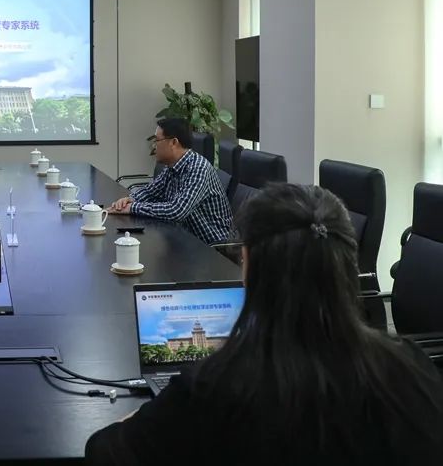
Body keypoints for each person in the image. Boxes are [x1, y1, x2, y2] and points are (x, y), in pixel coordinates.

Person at [86, 183, 443, 465]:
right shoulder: (411, 369)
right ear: (347, 262)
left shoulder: (213, 388)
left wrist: (138, 417)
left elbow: (103, 452)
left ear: (249, 268)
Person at [107, 118, 231, 245]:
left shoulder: (198, 168)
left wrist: (133, 208)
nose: (154, 146)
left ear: (173, 142)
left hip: (211, 246)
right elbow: (151, 191)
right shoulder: (172, 166)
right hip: (185, 239)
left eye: (157, 140)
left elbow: (177, 210)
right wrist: (130, 199)